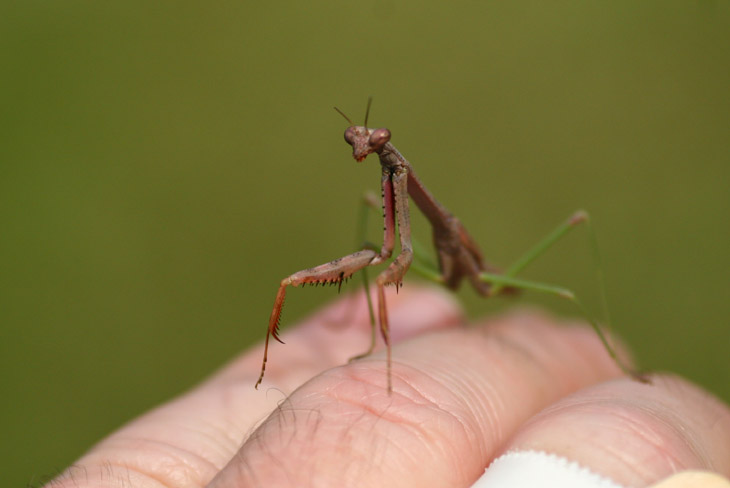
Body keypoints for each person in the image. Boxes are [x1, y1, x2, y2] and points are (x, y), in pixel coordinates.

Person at [48, 287, 730, 487]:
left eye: (370, 142)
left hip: (486, 274)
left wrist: (386, 389)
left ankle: (616, 351)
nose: (362, 146)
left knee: (568, 275)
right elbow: (389, 256)